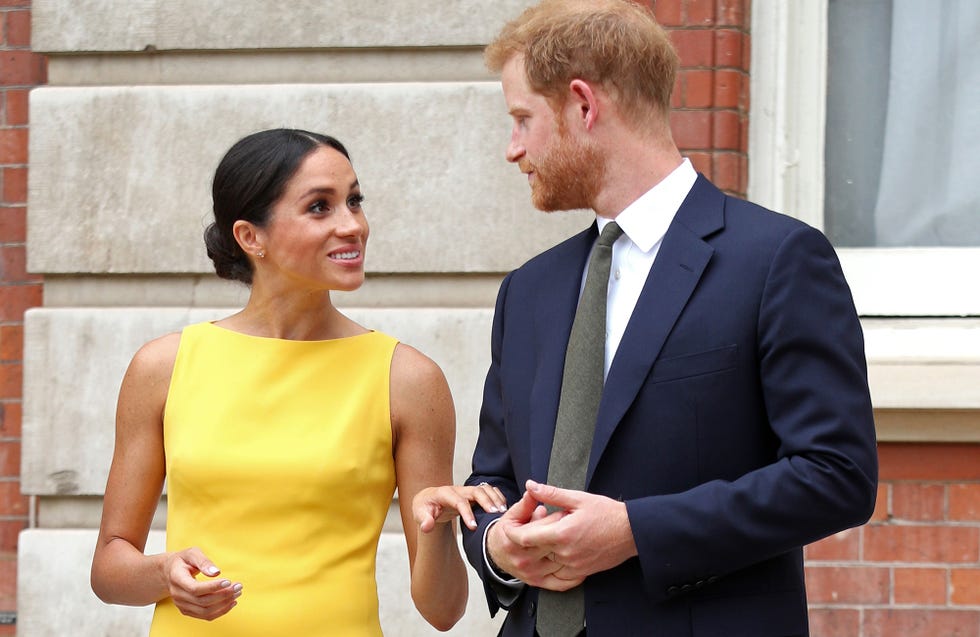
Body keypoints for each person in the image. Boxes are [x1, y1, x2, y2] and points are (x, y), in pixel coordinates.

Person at [462, 1, 879, 635]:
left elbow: (836, 476)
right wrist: (496, 547)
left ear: (582, 104)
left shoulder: (776, 260)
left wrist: (636, 532)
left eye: (522, 119)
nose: (511, 149)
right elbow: (490, 481)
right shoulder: (528, 290)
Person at [90, 128, 507, 636]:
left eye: (354, 201)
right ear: (250, 237)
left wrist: (438, 528)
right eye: (320, 207)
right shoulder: (163, 367)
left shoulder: (408, 379)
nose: (352, 224)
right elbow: (110, 567)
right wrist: (163, 574)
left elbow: (442, 612)